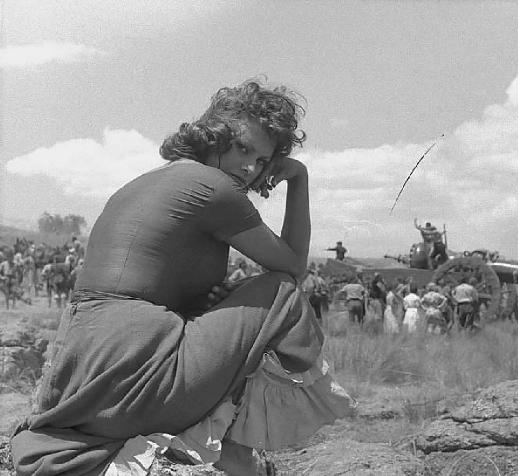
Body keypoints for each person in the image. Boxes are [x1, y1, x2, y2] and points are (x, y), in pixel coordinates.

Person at [11, 80, 354, 476]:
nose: (249, 168)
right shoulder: (218, 189)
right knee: (281, 293)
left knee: (243, 304)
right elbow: (292, 266)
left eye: (262, 161)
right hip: (131, 376)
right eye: (243, 148)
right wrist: (299, 178)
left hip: (77, 385)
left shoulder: (142, 182)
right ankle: (232, 449)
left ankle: (219, 445)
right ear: (214, 134)